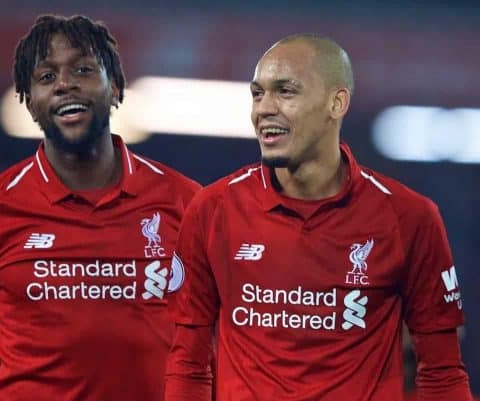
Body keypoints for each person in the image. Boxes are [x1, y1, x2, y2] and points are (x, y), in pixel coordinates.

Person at [164, 34, 473, 401]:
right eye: (257, 93)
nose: (264, 108)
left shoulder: (409, 217)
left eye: (286, 92)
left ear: (336, 102)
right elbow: (189, 363)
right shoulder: (213, 209)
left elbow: (442, 373)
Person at [0, 14, 200, 401]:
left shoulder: (189, 205)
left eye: (83, 70)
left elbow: (218, 349)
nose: (65, 85)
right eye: (46, 77)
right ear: (30, 103)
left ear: (116, 88)